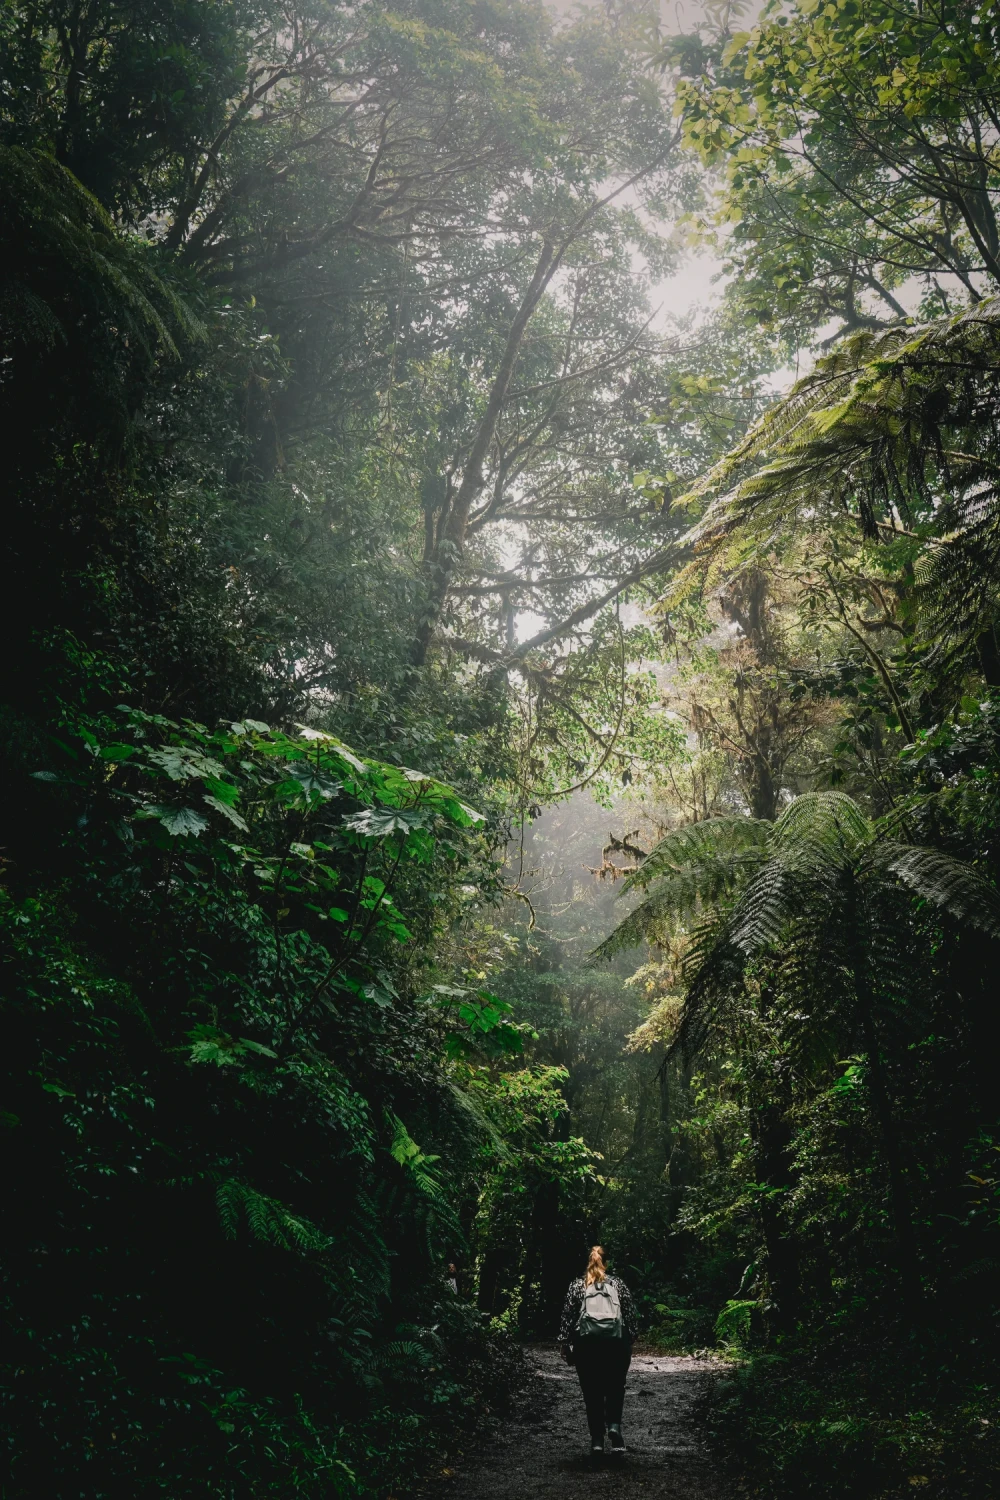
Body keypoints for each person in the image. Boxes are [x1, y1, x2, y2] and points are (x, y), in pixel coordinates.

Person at [558, 1244, 637, 1456]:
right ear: (607, 1262)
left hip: (586, 1343)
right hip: (615, 1343)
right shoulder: (617, 1284)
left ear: (588, 1262)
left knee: (591, 1391)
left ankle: (596, 1440)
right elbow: (630, 1314)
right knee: (615, 1385)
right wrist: (630, 1339)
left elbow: (567, 1316)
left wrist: (565, 1343)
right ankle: (614, 1427)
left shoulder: (577, 1285)